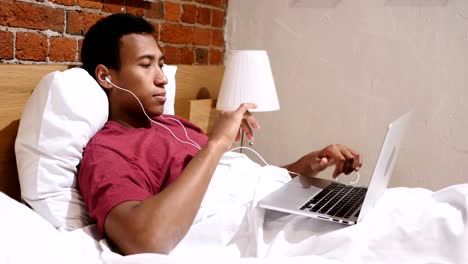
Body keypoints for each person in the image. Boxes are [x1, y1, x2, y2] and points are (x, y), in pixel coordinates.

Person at [78, 13, 362, 256]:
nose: (162, 78)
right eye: (145, 64)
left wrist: (301, 169)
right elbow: (145, 240)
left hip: (280, 210)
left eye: (161, 64)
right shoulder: (107, 151)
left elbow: (234, 186)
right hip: (263, 231)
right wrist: (218, 142)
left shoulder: (176, 125)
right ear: (106, 77)